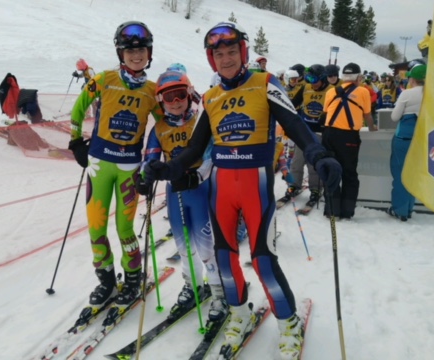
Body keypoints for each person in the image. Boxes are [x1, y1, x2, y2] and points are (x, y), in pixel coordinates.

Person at [142, 22, 342, 359]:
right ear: (211, 59)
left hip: (256, 187)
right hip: (222, 189)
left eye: (232, 51)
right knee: (224, 260)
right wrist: (168, 169)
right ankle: (239, 314)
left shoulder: (264, 83)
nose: (226, 59)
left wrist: (318, 153)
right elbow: (194, 150)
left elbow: (294, 124)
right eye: (218, 54)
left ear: (243, 53)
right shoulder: (211, 96)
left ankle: (288, 323)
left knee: (263, 261)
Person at [68, 21, 162, 310]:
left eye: (142, 50)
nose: (136, 55)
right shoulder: (105, 79)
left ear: (149, 53)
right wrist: (75, 141)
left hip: (129, 168)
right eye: (130, 51)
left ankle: (133, 277)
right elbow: (79, 107)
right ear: (120, 53)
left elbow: (163, 126)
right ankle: (106, 279)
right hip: (99, 164)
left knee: (124, 228)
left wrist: (155, 161)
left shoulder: (152, 90)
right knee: (96, 227)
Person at [138, 69, 227, 320]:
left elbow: (210, 157)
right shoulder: (159, 129)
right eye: (169, 97)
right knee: (184, 245)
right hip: (176, 192)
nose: (176, 102)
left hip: (202, 189)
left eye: (180, 95)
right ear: (161, 101)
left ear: (189, 94)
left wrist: (195, 177)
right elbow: (151, 159)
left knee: (207, 245)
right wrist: (145, 179)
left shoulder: (201, 120)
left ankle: (219, 290)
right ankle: (193, 283)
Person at [322, 62, 377, 220]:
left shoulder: (331, 92)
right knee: (349, 174)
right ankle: (346, 211)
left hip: (329, 135)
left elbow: (326, 112)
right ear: (358, 77)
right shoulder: (363, 92)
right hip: (348, 137)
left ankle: (332, 210)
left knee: (331, 172)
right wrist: (372, 127)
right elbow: (367, 115)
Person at [289, 64, 333, 206]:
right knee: (297, 160)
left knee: (313, 162)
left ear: (323, 79)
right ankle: (294, 184)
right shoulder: (306, 87)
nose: (312, 83)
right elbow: (293, 103)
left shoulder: (331, 91)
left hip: (320, 131)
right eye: (309, 79)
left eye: (314, 79)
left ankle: (315, 188)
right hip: (304, 129)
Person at [387, 64, 426, 221]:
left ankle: (400, 210)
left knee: (401, 174)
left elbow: (394, 117)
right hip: (422, 139)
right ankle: (409, 208)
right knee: (414, 175)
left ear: (412, 79)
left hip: (403, 139)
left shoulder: (407, 94)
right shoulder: (433, 94)